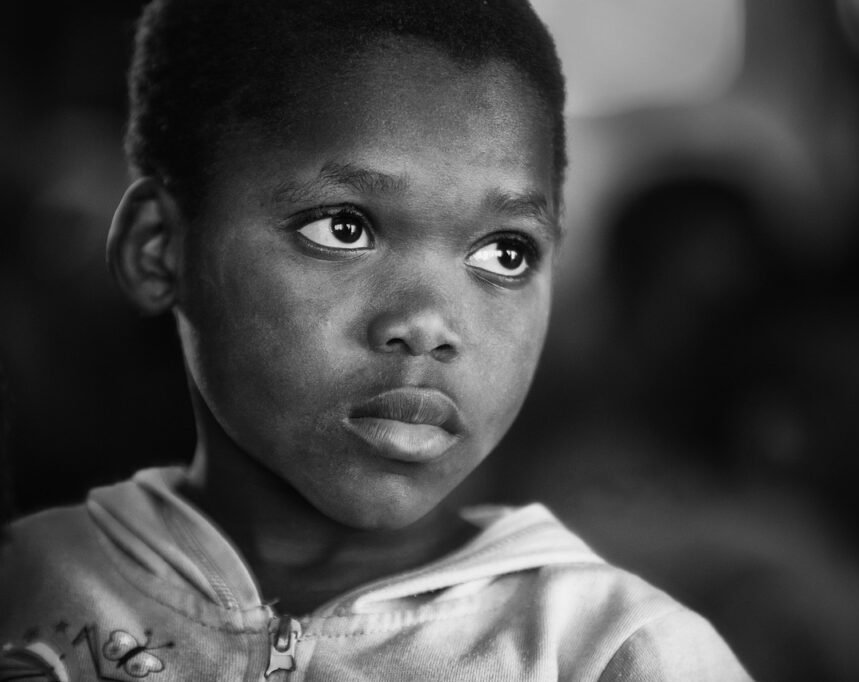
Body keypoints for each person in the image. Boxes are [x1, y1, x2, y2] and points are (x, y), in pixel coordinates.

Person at [0, 1, 752, 679]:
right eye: (343, 228)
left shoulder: (610, 652)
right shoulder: (31, 584)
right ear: (159, 249)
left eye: (504, 253)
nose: (427, 323)